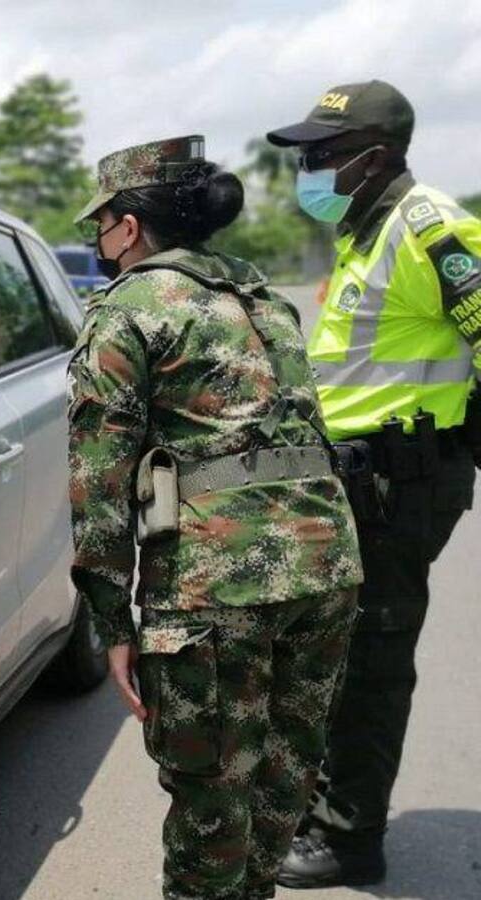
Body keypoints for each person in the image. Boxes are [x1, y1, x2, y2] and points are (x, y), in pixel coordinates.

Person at [68, 135, 363, 900]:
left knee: (212, 801)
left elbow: (100, 482)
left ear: (129, 227)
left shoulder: (129, 309)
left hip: (217, 584)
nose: (98, 240)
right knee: (282, 778)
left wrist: (113, 624)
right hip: (326, 566)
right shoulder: (262, 297)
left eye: (100, 224)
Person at [265, 80, 481, 889]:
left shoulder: (429, 229)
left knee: (371, 664)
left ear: (377, 156)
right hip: (360, 480)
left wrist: (454, 443)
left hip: (399, 484)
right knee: (337, 656)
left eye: (324, 154)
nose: (310, 171)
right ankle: (328, 806)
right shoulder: (367, 230)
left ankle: (351, 837)